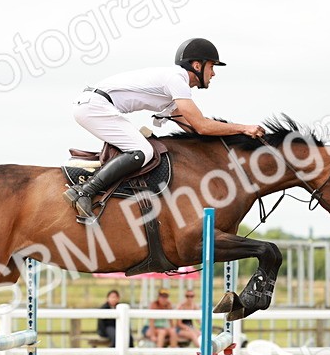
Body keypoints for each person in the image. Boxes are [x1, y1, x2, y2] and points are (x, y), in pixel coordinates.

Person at [64, 37, 267, 219]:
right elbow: (202, 126)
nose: (213, 73)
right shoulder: (177, 80)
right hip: (94, 106)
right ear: (197, 65)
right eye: (212, 66)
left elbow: (194, 128)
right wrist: (243, 128)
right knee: (143, 150)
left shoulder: (172, 91)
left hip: (92, 105)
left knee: (142, 149)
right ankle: (84, 192)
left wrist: (235, 141)